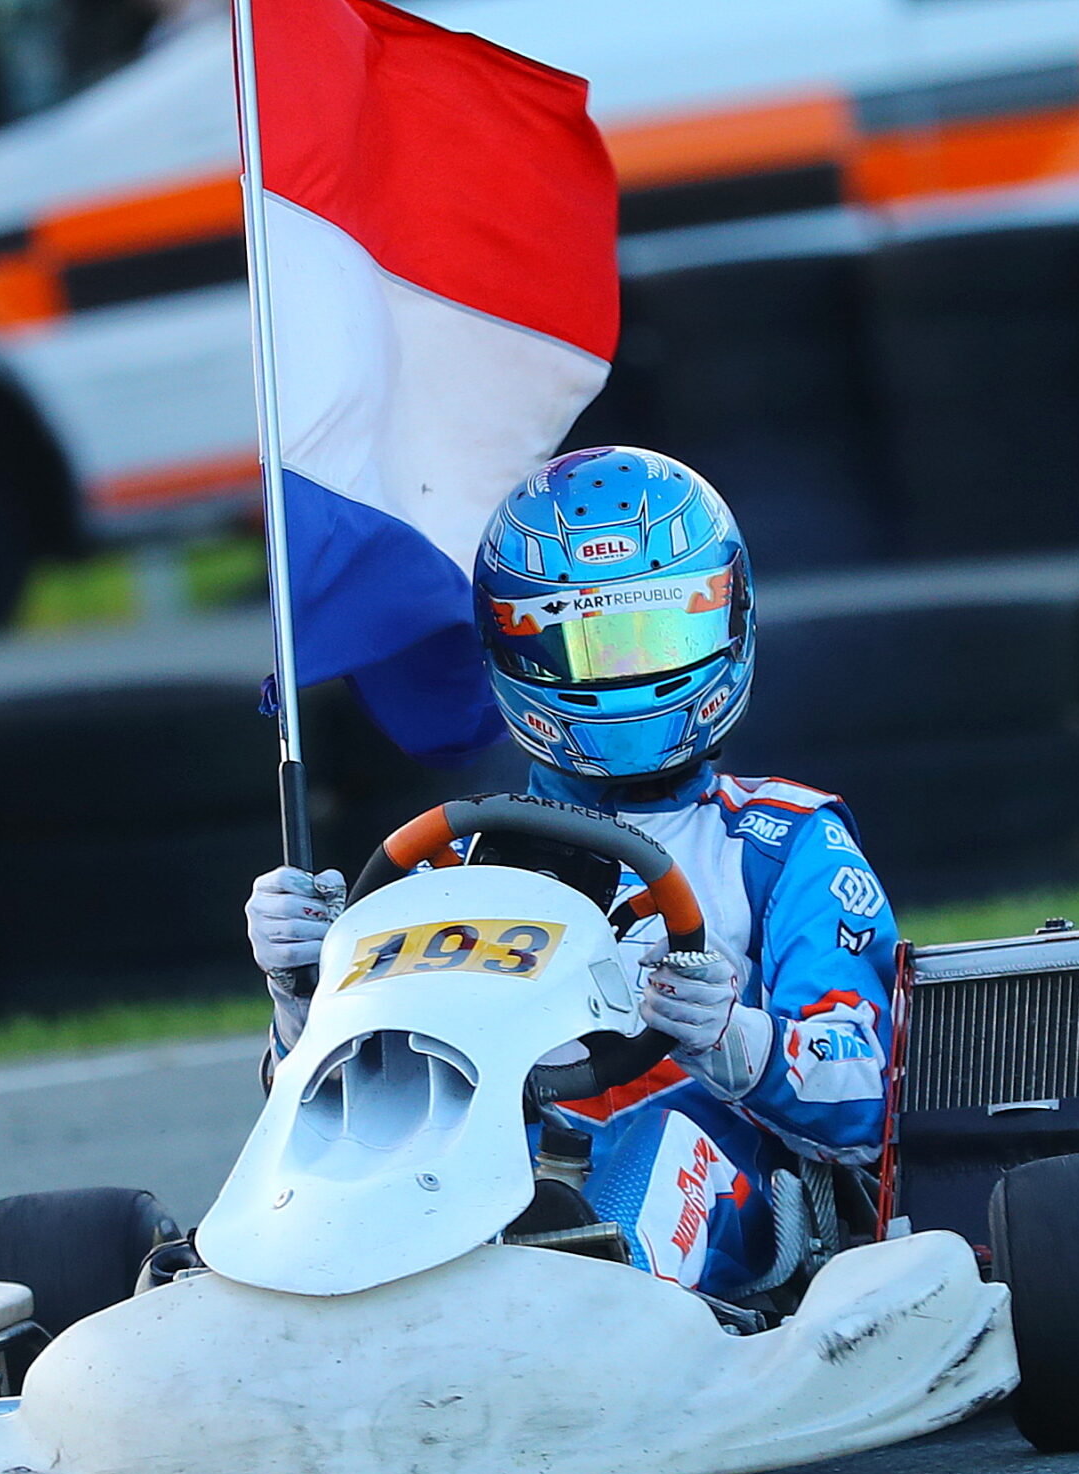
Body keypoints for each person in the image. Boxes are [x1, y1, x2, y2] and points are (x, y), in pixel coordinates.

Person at [245, 448, 897, 1302]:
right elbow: (365, 1088)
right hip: (475, 1170)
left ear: (725, 622)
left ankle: (585, 1276)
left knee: (661, 1137)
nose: (624, 671)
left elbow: (866, 1091)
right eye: (583, 643)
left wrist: (728, 1037)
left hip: (734, 1176)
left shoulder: (788, 844)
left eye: (656, 635)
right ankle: (266, 1271)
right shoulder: (448, 862)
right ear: (518, 651)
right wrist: (302, 994)